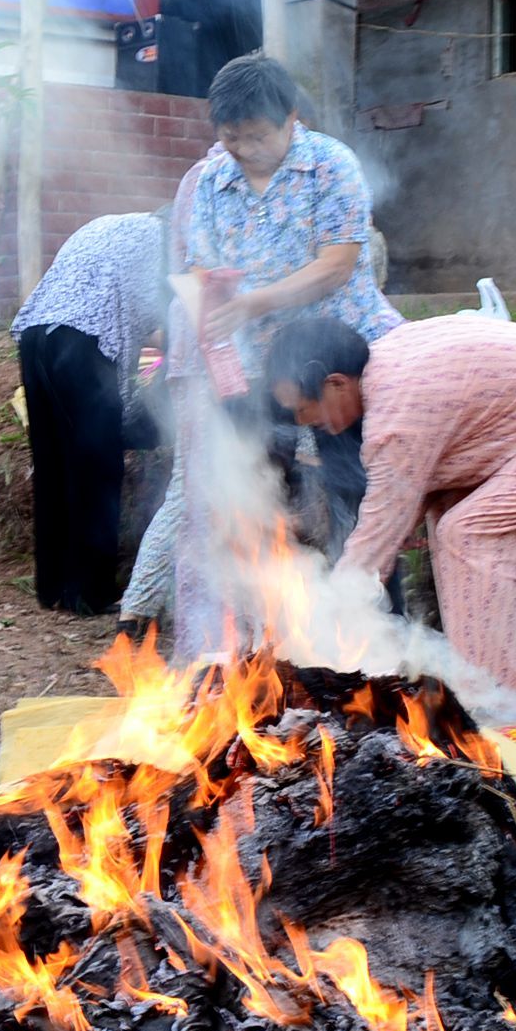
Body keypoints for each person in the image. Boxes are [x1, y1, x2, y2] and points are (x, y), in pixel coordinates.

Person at [120, 53, 406, 652]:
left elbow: (337, 264)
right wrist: (216, 300)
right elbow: (201, 264)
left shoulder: (331, 165)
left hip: (334, 361)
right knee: (247, 491)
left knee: (351, 487)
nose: (244, 149)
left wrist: (252, 302)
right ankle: (261, 645)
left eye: (257, 135)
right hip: (253, 367)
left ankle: (381, 639)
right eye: (231, 137)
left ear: (290, 119)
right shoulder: (213, 181)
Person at [267, 315, 516, 703]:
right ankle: (488, 684)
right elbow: (406, 503)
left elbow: (381, 528)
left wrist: (330, 611)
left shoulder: (398, 411)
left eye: (304, 408)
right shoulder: (390, 367)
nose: (304, 423)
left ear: (335, 383)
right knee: (451, 519)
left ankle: (506, 702)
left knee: (471, 537)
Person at [10, 212, 165, 614]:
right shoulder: (165, 242)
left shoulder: (114, 225)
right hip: (82, 342)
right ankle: (91, 595)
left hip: (35, 334)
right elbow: (149, 330)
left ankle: (53, 588)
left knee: (54, 462)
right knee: (98, 467)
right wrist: (133, 417)